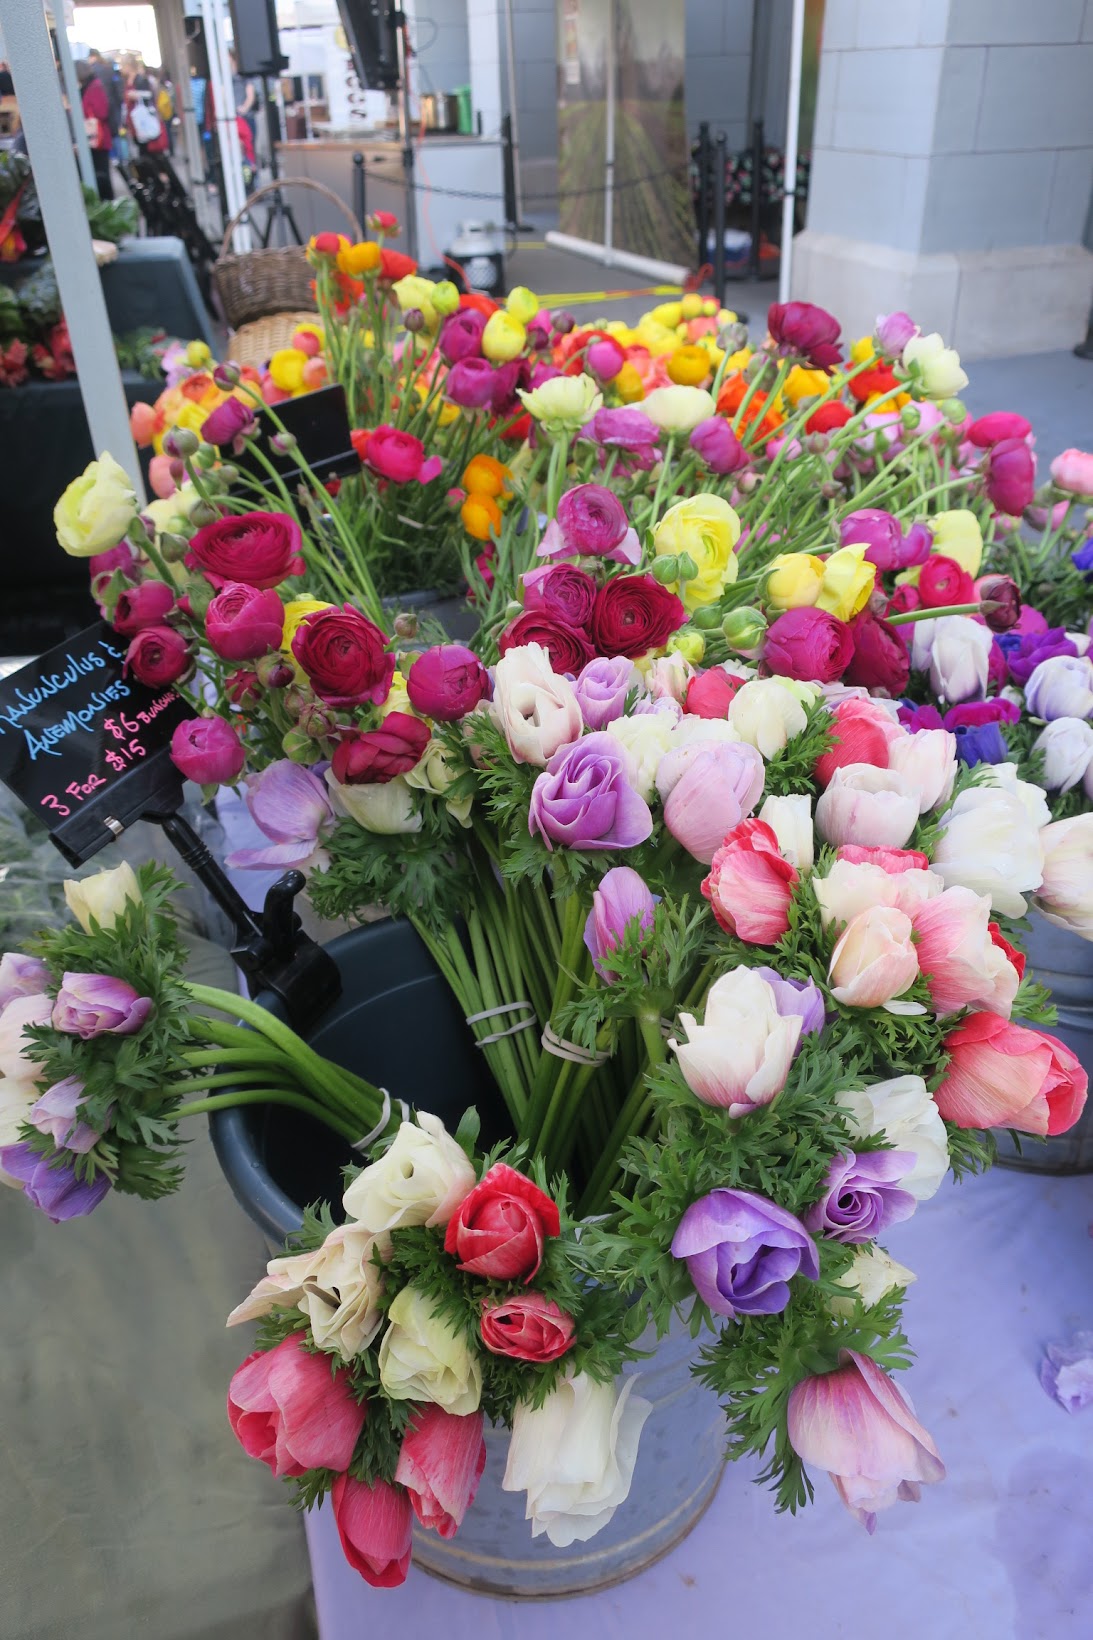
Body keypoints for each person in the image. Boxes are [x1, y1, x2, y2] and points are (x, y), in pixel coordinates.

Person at [76, 58, 113, 201]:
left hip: (99, 139)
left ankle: (107, 201)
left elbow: (102, 111)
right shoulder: (89, 86)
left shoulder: (94, 86)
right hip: (94, 138)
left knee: (102, 174)